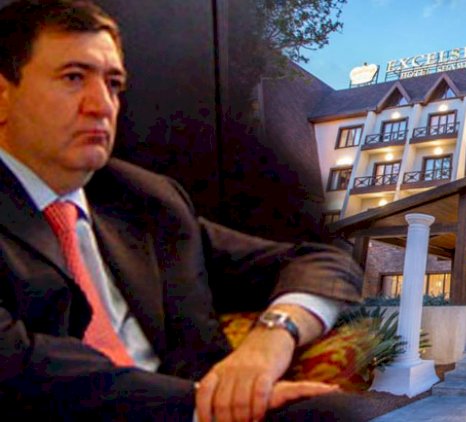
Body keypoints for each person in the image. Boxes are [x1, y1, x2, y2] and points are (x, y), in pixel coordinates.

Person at [0, 1, 363, 420]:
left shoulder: (145, 202)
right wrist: (199, 403)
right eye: (73, 77)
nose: (102, 105)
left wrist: (275, 334)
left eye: (113, 84)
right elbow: (20, 367)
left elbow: (322, 261)